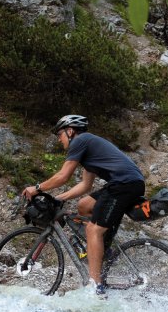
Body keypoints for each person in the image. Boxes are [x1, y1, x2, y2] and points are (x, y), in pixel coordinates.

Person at [21, 115, 145, 297]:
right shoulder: (89, 150)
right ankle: (102, 250)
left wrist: (37, 188)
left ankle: (96, 286)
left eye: (60, 134)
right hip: (125, 183)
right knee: (84, 205)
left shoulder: (81, 141)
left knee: (93, 230)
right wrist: (58, 198)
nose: (58, 138)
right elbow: (85, 186)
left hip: (124, 184)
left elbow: (63, 176)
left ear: (70, 131)